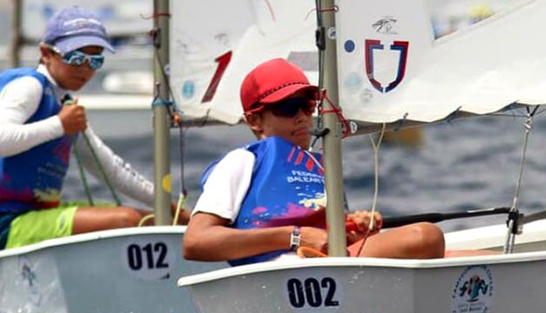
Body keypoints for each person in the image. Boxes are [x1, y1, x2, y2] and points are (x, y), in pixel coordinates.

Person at [0, 7, 186, 254]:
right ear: (46, 53)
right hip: (6, 226)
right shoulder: (28, 87)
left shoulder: (63, 105)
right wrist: (60, 125)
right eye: (77, 58)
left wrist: (171, 207)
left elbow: (112, 170)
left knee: (152, 220)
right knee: (128, 221)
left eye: (95, 61)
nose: (86, 70)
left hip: (38, 216)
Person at [183, 58, 446, 266]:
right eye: (287, 107)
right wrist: (294, 236)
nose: (301, 117)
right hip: (286, 271)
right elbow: (195, 242)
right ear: (254, 120)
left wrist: (356, 227)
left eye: (307, 106)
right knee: (425, 236)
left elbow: (330, 238)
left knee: (469, 256)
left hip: (327, 269)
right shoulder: (242, 161)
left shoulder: (323, 166)